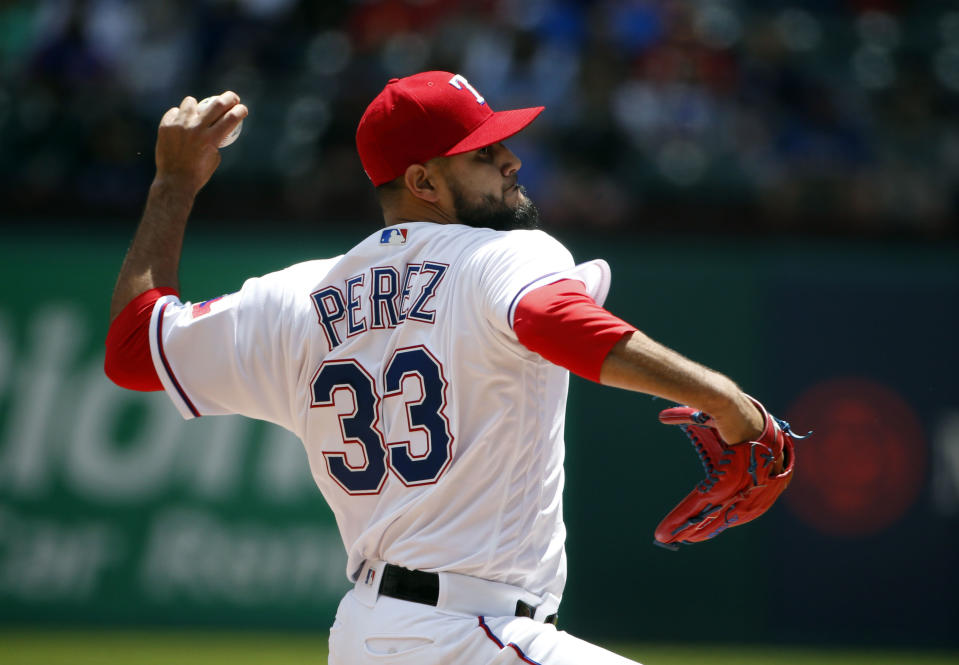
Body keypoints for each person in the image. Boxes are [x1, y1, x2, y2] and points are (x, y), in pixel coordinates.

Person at [105, 71, 768, 664]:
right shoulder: (499, 254)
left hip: (369, 633)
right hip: (470, 633)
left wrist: (172, 183)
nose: (509, 160)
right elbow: (552, 320)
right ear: (422, 181)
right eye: (482, 154)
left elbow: (135, 350)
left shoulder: (293, 299)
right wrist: (729, 402)